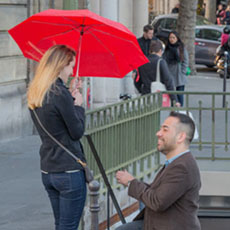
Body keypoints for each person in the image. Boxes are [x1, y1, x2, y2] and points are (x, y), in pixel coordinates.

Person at [27, 45, 87, 230]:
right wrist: (78, 105)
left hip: (49, 169)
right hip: (68, 170)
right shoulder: (60, 94)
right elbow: (76, 132)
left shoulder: (38, 92)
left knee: (60, 225)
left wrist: (70, 97)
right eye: (71, 66)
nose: (72, 71)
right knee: (68, 227)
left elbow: (55, 123)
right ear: (61, 66)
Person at [115, 111, 201, 230]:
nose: (158, 133)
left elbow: (157, 201)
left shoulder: (182, 167)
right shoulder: (177, 163)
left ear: (180, 137)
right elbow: (156, 193)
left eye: (165, 130)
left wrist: (131, 183)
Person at [137, 40, 180, 106]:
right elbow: (168, 81)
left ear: (150, 51)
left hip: (145, 96)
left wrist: (141, 90)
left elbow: (137, 81)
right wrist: (175, 100)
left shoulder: (142, 62)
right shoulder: (161, 62)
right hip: (158, 96)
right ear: (160, 51)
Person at [163, 31, 189, 106]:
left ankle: (180, 110)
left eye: (173, 37)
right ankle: (173, 111)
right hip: (169, 72)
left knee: (179, 94)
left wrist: (183, 71)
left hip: (179, 74)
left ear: (177, 38)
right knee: (171, 94)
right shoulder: (167, 48)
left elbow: (185, 60)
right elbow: (164, 59)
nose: (172, 39)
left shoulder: (181, 48)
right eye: (170, 37)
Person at [133, 24, 158, 94]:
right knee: (137, 83)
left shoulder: (155, 41)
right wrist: (134, 70)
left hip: (152, 67)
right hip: (141, 67)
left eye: (152, 33)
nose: (151, 35)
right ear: (145, 32)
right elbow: (135, 56)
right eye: (150, 33)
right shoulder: (138, 42)